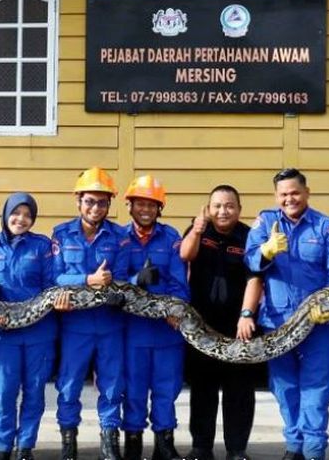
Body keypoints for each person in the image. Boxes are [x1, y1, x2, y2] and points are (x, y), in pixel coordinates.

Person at [245, 169, 329, 460]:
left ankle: (313, 450)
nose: (289, 198)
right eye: (283, 194)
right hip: (277, 322)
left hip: (319, 324)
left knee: (317, 388)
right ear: (276, 196)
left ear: (306, 193)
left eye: (295, 193)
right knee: (284, 387)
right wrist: (266, 251)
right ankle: (294, 447)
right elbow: (250, 262)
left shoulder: (326, 227)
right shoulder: (266, 222)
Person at [179, 185, 263, 460]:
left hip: (238, 326)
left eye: (229, 206)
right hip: (201, 325)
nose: (223, 211)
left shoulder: (249, 236)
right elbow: (185, 255)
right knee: (202, 387)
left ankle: (237, 449)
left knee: (239, 389)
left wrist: (246, 315)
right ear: (208, 208)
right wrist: (197, 230)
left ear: (239, 209)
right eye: (217, 206)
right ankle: (201, 447)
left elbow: (255, 277)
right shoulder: (198, 230)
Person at [52, 167, 130, 460]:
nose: (95, 208)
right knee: (69, 385)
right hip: (75, 325)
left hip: (111, 324)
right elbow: (55, 277)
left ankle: (109, 443)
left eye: (102, 202)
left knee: (112, 386)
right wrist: (88, 280)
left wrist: (112, 282)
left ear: (109, 204)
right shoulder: (61, 234)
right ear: (78, 201)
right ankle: (68, 443)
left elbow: (122, 279)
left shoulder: (120, 236)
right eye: (89, 201)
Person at [0, 193, 57, 460]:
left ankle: (25, 446)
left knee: (34, 391)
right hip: (5, 334)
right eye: (16, 213)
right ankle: (2, 446)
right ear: (6, 214)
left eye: (27, 215)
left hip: (39, 332)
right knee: (4, 390)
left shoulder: (42, 246)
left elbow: (51, 286)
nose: (21, 219)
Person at [120, 175, 188, 460]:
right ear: (130, 206)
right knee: (133, 389)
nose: (145, 210)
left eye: (152, 205)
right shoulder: (119, 238)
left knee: (166, 388)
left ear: (160, 208)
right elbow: (114, 281)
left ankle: (164, 442)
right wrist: (136, 279)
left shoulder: (171, 238)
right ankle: (133, 442)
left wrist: (176, 309)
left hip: (166, 331)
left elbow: (179, 282)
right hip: (132, 330)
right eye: (140, 204)